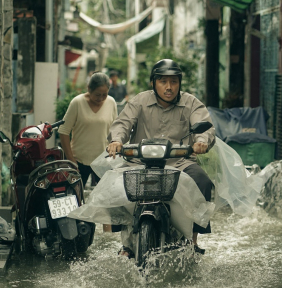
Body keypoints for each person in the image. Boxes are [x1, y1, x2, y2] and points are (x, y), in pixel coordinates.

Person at [106, 59, 215, 255]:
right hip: (140, 162)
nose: (169, 87)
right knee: (113, 183)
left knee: (202, 181)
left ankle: (192, 239)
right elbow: (123, 123)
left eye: (174, 82)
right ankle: (126, 240)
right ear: (153, 83)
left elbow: (203, 122)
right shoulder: (139, 101)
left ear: (180, 83)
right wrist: (116, 140)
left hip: (179, 162)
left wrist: (201, 141)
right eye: (163, 81)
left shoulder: (191, 102)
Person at [58, 72, 118, 187]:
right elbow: (63, 131)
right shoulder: (77, 102)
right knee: (76, 197)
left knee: (104, 198)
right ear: (89, 89)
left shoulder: (111, 102)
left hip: (103, 160)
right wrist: (71, 160)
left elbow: (115, 129)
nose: (100, 98)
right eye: (97, 94)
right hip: (79, 160)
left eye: (104, 94)